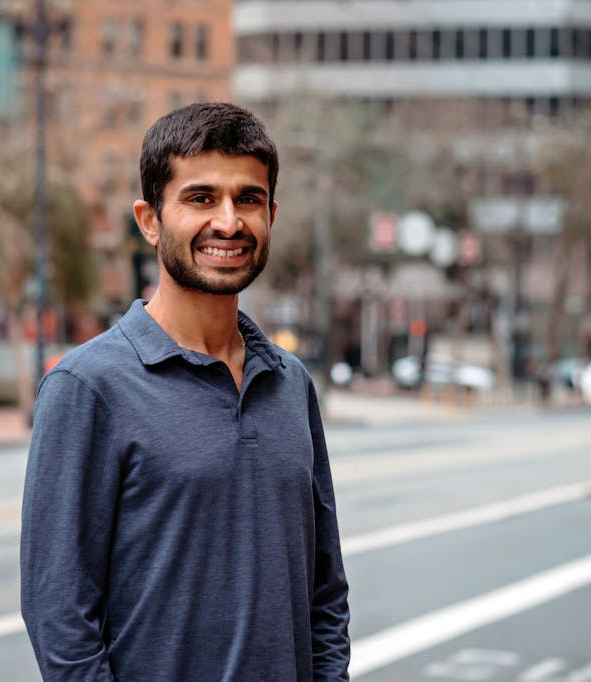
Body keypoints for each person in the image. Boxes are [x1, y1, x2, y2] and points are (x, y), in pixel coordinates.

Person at [20, 102, 351, 680]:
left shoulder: (292, 383)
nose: (229, 222)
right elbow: (60, 619)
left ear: (271, 213)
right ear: (149, 220)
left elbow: (325, 592)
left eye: (247, 199)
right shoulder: (87, 387)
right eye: (201, 198)